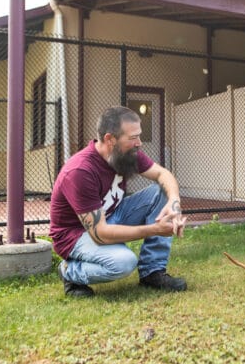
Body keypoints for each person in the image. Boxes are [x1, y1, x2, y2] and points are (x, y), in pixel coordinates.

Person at [50, 106, 187, 297]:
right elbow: (100, 234)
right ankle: (70, 272)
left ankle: (152, 272)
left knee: (161, 190)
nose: (139, 143)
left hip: (110, 216)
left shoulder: (126, 153)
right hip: (77, 235)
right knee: (123, 262)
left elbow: (163, 174)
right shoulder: (80, 171)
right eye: (133, 138)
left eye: (138, 136)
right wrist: (155, 229)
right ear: (110, 139)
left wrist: (174, 203)